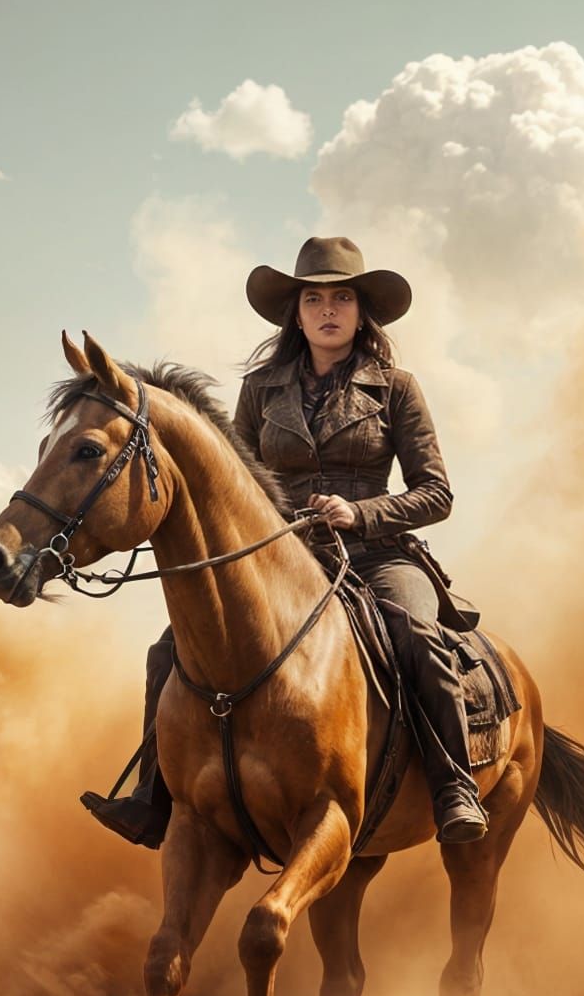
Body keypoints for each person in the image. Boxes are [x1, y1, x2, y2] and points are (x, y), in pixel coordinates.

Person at [81, 235, 490, 848]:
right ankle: (151, 799)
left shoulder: (397, 388)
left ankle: (453, 784)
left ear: (361, 312)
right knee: (170, 650)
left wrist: (359, 511)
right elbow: (228, 481)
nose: (328, 310)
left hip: (375, 554)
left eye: (343, 298)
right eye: (314, 298)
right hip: (278, 560)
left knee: (417, 632)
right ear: (295, 313)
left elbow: (436, 494)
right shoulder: (260, 389)